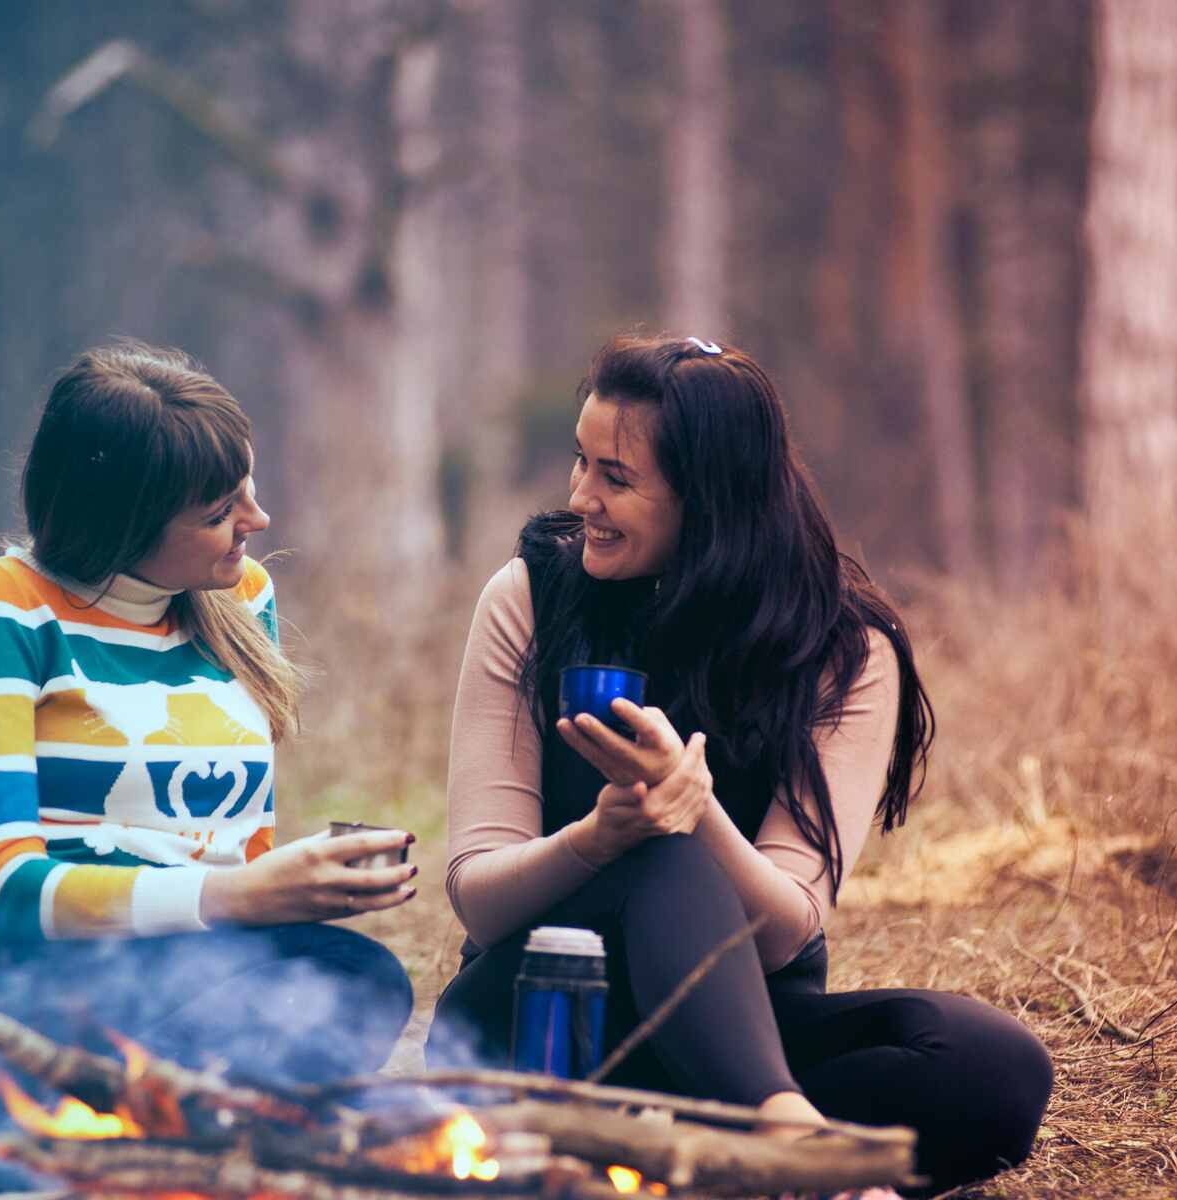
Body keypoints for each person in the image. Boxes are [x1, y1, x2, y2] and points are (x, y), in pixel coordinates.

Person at [430, 334, 1052, 1197]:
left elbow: (789, 923)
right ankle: (787, 1146)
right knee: (654, 850)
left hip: (740, 1026)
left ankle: (703, 1153)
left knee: (994, 1067)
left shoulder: (843, 649)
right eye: (581, 463)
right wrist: (601, 837)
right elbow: (481, 897)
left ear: (710, 497)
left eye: (616, 477)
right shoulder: (531, 599)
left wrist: (698, 811)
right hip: (538, 1022)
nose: (582, 497)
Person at [0, 342, 416, 1191]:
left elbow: (233, 849)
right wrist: (239, 898)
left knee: (354, 977)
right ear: (124, 521)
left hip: (146, 986)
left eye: (249, 489)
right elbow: (5, 895)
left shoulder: (240, 599)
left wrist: (291, 891)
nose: (256, 520)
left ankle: (117, 1160)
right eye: (222, 508)